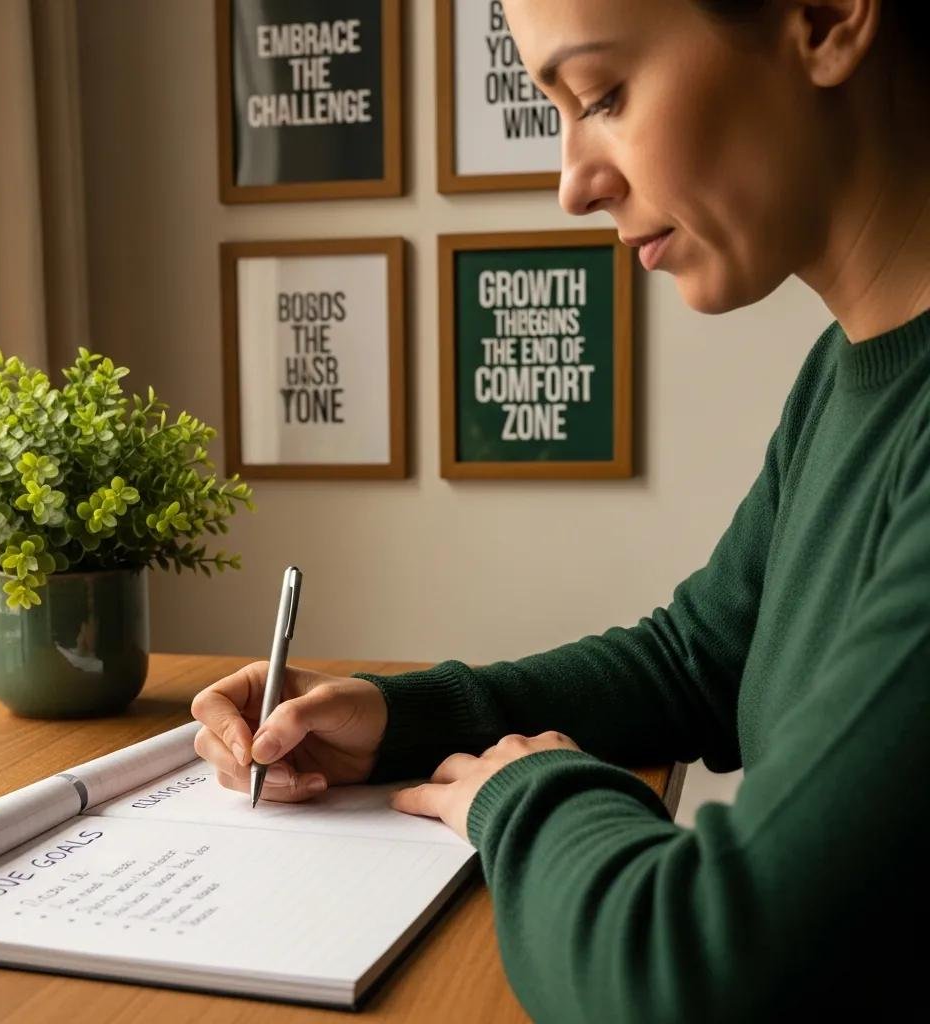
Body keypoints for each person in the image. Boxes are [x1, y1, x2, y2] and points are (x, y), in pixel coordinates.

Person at [191, 1, 930, 1018]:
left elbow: (701, 972)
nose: (575, 184)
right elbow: (697, 659)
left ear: (824, 17)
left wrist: (524, 794)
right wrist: (400, 718)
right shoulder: (845, 377)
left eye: (603, 97)